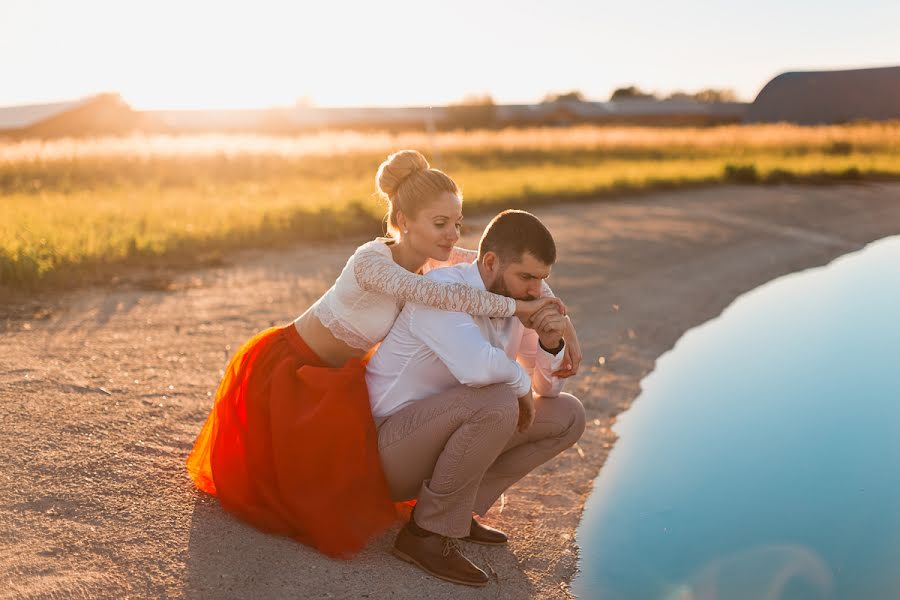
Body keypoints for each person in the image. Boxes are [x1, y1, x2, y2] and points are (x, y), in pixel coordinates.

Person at [185, 150, 581, 559]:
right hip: (291, 368)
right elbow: (445, 295)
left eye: (457, 224)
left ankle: (456, 513)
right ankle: (427, 530)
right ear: (404, 220)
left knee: (561, 410)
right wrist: (521, 311)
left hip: (340, 379)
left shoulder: (438, 259)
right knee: (280, 486)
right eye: (440, 223)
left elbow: (491, 264)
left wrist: (557, 318)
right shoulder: (375, 263)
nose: (452, 235)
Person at [366, 209, 587, 586]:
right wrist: (520, 384)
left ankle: (457, 510)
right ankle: (425, 536)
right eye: (527, 277)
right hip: (384, 450)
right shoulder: (444, 291)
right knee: (500, 397)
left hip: (443, 432)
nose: (536, 291)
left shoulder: (518, 300)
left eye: (542, 281)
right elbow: (478, 370)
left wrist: (553, 342)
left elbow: (547, 391)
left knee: (568, 415)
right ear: (489, 262)